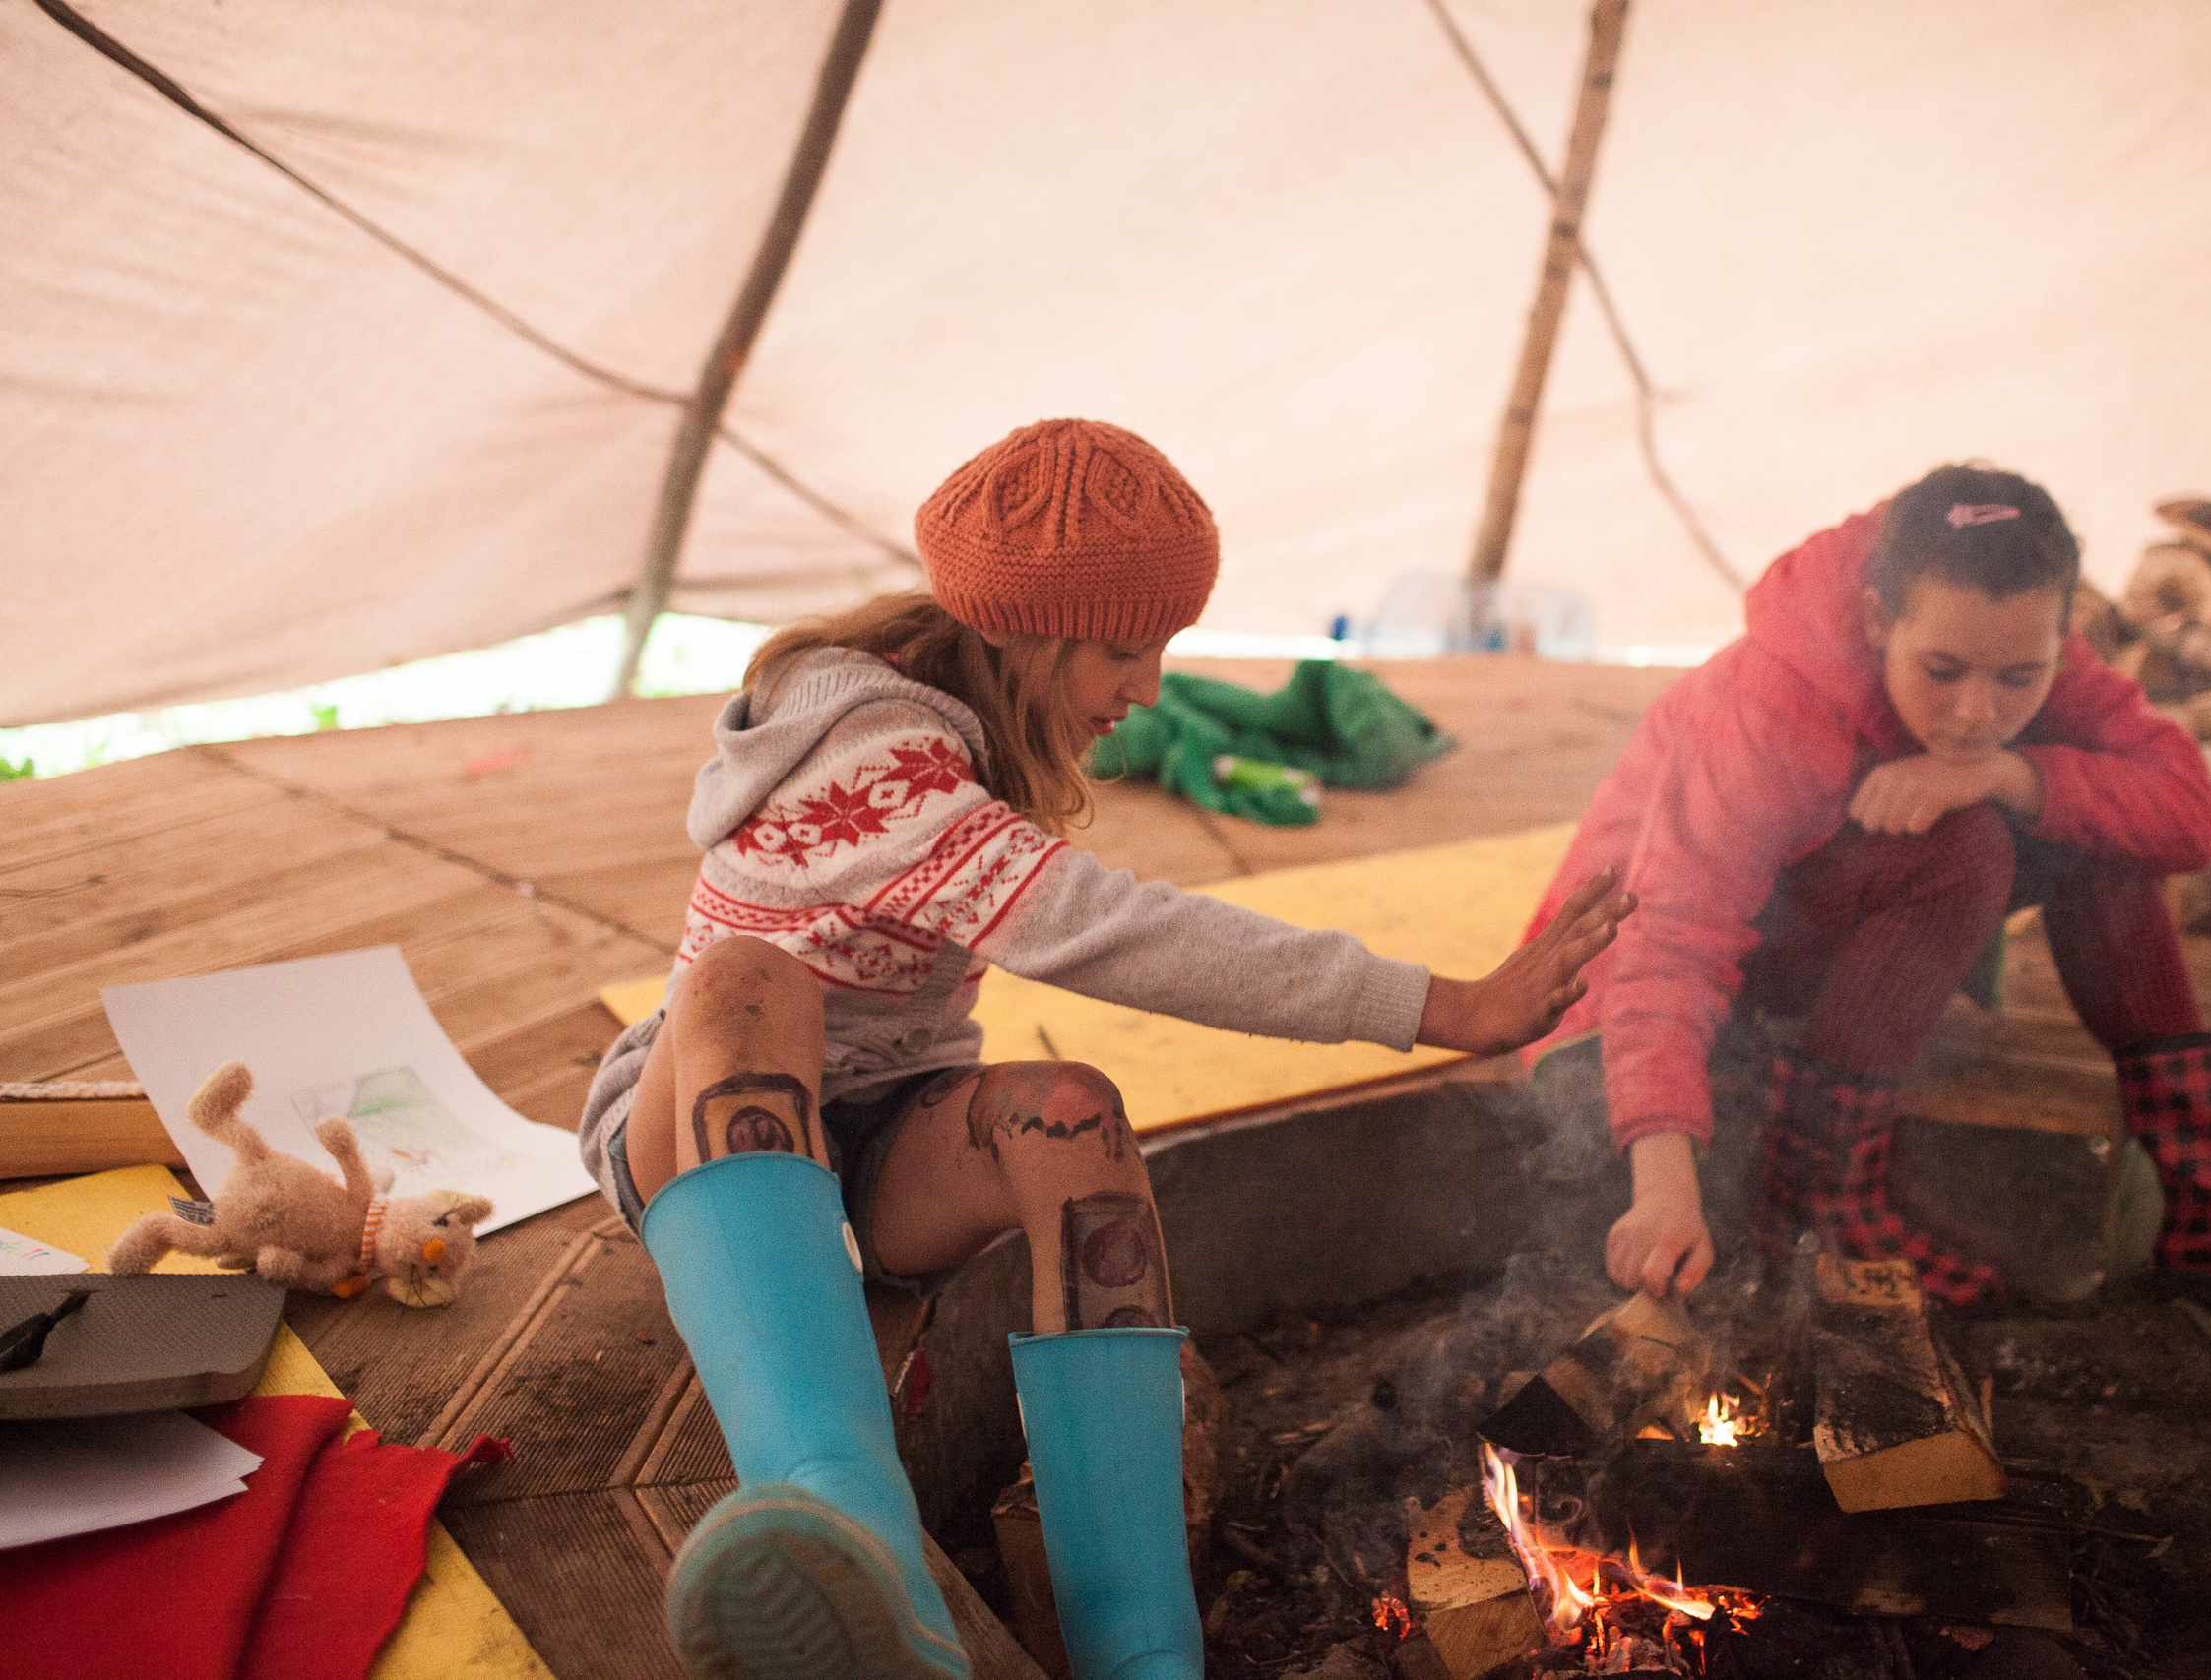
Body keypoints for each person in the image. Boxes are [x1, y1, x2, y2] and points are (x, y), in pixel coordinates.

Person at [578, 418, 1632, 1680]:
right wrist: (1432, 1003)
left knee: (1071, 1113)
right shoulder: (864, 755)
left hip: (875, 1147)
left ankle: (1141, 1649)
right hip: (702, 1127)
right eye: (1125, 651)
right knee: (752, 981)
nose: (1144, 691)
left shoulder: (966, 720)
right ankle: (849, 1535)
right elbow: (1107, 929)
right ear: (1020, 632)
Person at [1523, 463, 2211, 1312]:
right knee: (1970, 848)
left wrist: (2005, 774)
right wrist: (1663, 1188)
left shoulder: (2022, 652)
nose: (1976, 711)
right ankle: (1823, 1209)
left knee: (2088, 822)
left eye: (2019, 678)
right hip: (1607, 1005)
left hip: (1796, 949)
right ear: (1879, 619)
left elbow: (2187, 812)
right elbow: (1666, 941)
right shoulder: (1769, 699)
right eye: (1942, 671)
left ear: (2060, 640)